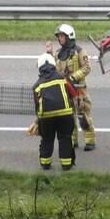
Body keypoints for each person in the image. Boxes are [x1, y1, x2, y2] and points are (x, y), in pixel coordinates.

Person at [46, 23, 95, 151]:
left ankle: (90, 141)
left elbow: (87, 68)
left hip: (79, 90)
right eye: (59, 36)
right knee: (68, 117)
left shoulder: (79, 51)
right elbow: (51, 67)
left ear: (69, 36)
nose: (59, 38)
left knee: (83, 116)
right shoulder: (58, 53)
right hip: (65, 91)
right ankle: (73, 141)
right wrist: (49, 53)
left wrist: (73, 77)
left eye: (62, 36)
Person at [33, 53, 78, 171]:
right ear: (53, 64)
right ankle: (66, 165)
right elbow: (74, 94)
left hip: (46, 117)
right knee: (65, 138)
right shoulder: (63, 78)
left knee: (47, 139)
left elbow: (37, 106)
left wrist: (38, 122)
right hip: (65, 115)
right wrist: (75, 111)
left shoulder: (37, 85)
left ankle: (45, 164)